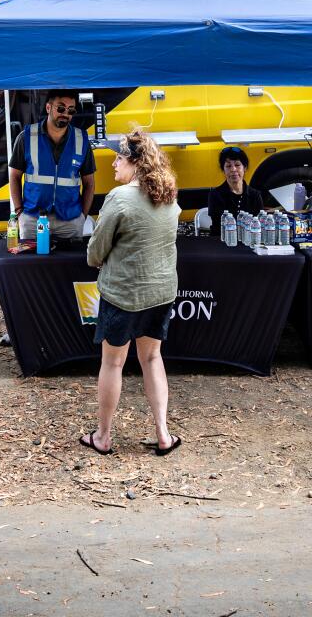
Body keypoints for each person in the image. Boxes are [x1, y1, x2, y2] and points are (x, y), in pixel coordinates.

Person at [81, 130, 182, 457]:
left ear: (136, 162)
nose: (113, 163)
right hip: (162, 292)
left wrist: (98, 260)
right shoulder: (168, 193)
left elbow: (95, 251)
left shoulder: (120, 198)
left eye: (119, 158)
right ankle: (164, 434)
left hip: (124, 293)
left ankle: (104, 436)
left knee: (112, 363)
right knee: (153, 357)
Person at [9, 89, 96, 243]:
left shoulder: (81, 140)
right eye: (61, 108)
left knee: (70, 266)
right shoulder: (27, 137)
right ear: (48, 108)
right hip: (32, 218)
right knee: (31, 266)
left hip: (70, 220)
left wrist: (83, 215)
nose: (65, 114)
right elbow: (14, 177)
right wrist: (19, 212)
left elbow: (89, 183)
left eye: (71, 110)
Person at [206, 146, 263, 233]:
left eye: (237, 165)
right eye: (228, 166)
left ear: (245, 168)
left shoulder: (255, 195)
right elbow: (218, 227)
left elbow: (259, 226)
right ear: (223, 170)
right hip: (222, 242)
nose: (233, 169)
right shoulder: (215, 195)